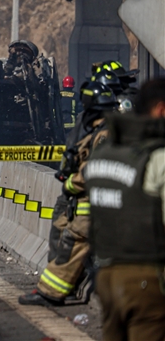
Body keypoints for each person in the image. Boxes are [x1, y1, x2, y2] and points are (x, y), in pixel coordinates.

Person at [19, 81, 117, 306]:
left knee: (73, 241)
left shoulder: (104, 133)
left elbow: (95, 170)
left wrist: (72, 182)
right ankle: (62, 288)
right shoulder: (98, 130)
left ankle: (51, 293)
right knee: (65, 236)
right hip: (87, 200)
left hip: (92, 201)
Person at [85, 77, 165, 341]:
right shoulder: (156, 157)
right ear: (161, 110)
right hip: (145, 278)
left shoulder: (105, 151)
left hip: (106, 275)